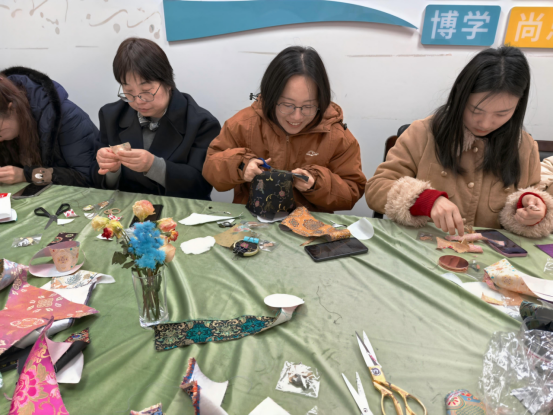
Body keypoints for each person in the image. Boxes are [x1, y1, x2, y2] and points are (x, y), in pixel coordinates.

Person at [366, 46, 553, 239]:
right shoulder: (422, 133)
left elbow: (532, 195)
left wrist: (532, 210)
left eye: (501, 114)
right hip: (422, 246)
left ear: (518, 106)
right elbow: (376, 188)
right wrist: (424, 200)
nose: (485, 123)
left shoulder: (524, 146)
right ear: (460, 96)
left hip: (490, 253)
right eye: (476, 111)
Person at [202, 46, 366, 213]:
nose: (296, 117)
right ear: (271, 97)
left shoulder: (337, 136)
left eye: (308, 106)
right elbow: (210, 170)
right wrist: (241, 166)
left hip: (310, 224)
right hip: (251, 221)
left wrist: (316, 184)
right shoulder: (243, 124)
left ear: (321, 101)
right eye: (287, 105)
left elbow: (352, 192)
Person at [93, 38, 220, 199]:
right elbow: (95, 181)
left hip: (179, 210)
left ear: (168, 82)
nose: (139, 101)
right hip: (124, 209)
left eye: (146, 90)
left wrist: (154, 166)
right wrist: (111, 170)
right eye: (129, 92)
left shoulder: (202, 123)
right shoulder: (110, 115)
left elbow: (201, 186)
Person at [0, 67, 98, 186]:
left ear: (13, 109)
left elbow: (86, 177)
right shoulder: (9, 127)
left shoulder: (68, 117)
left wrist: (28, 175)